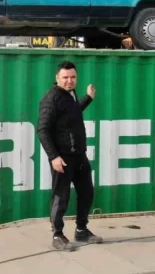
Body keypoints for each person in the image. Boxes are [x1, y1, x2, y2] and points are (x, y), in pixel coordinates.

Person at [37, 60, 102, 251]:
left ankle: (81, 229)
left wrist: (88, 98)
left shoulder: (70, 95)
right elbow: (42, 130)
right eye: (65, 78)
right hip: (62, 159)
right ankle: (57, 235)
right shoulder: (51, 99)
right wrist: (53, 157)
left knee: (87, 193)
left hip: (79, 157)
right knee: (61, 197)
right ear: (57, 78)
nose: (69, 81)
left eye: (73, 77)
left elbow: (72, 112)